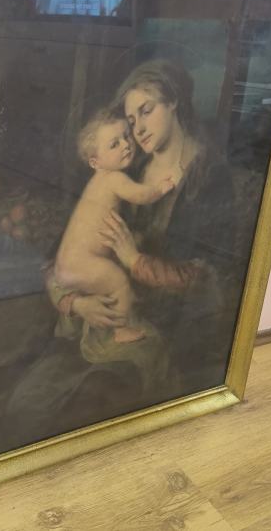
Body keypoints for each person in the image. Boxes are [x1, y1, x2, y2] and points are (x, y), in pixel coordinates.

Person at [0, 58, 241, 452]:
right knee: (27, 403)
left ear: (174, 101)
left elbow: (209, 279)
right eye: (130, 119)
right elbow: (62, 258)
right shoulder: (126, 165)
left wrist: (133, 260)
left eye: (147, 110)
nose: (137, 129)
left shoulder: (208, 177)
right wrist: (76, 304)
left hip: (165, 330)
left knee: (86, 410)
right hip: (97, 317)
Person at [55, 108, 175, 356]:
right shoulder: (113, 178)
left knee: (109, 285)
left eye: (126, 136)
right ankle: (120, 330)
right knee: (118, 282)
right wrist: (161, 188)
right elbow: (140, 195)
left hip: (68, 262)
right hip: (83, 262)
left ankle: (74, 326)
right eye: (114, 144)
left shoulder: (96, 183)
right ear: (95, 162)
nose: (126, 145)